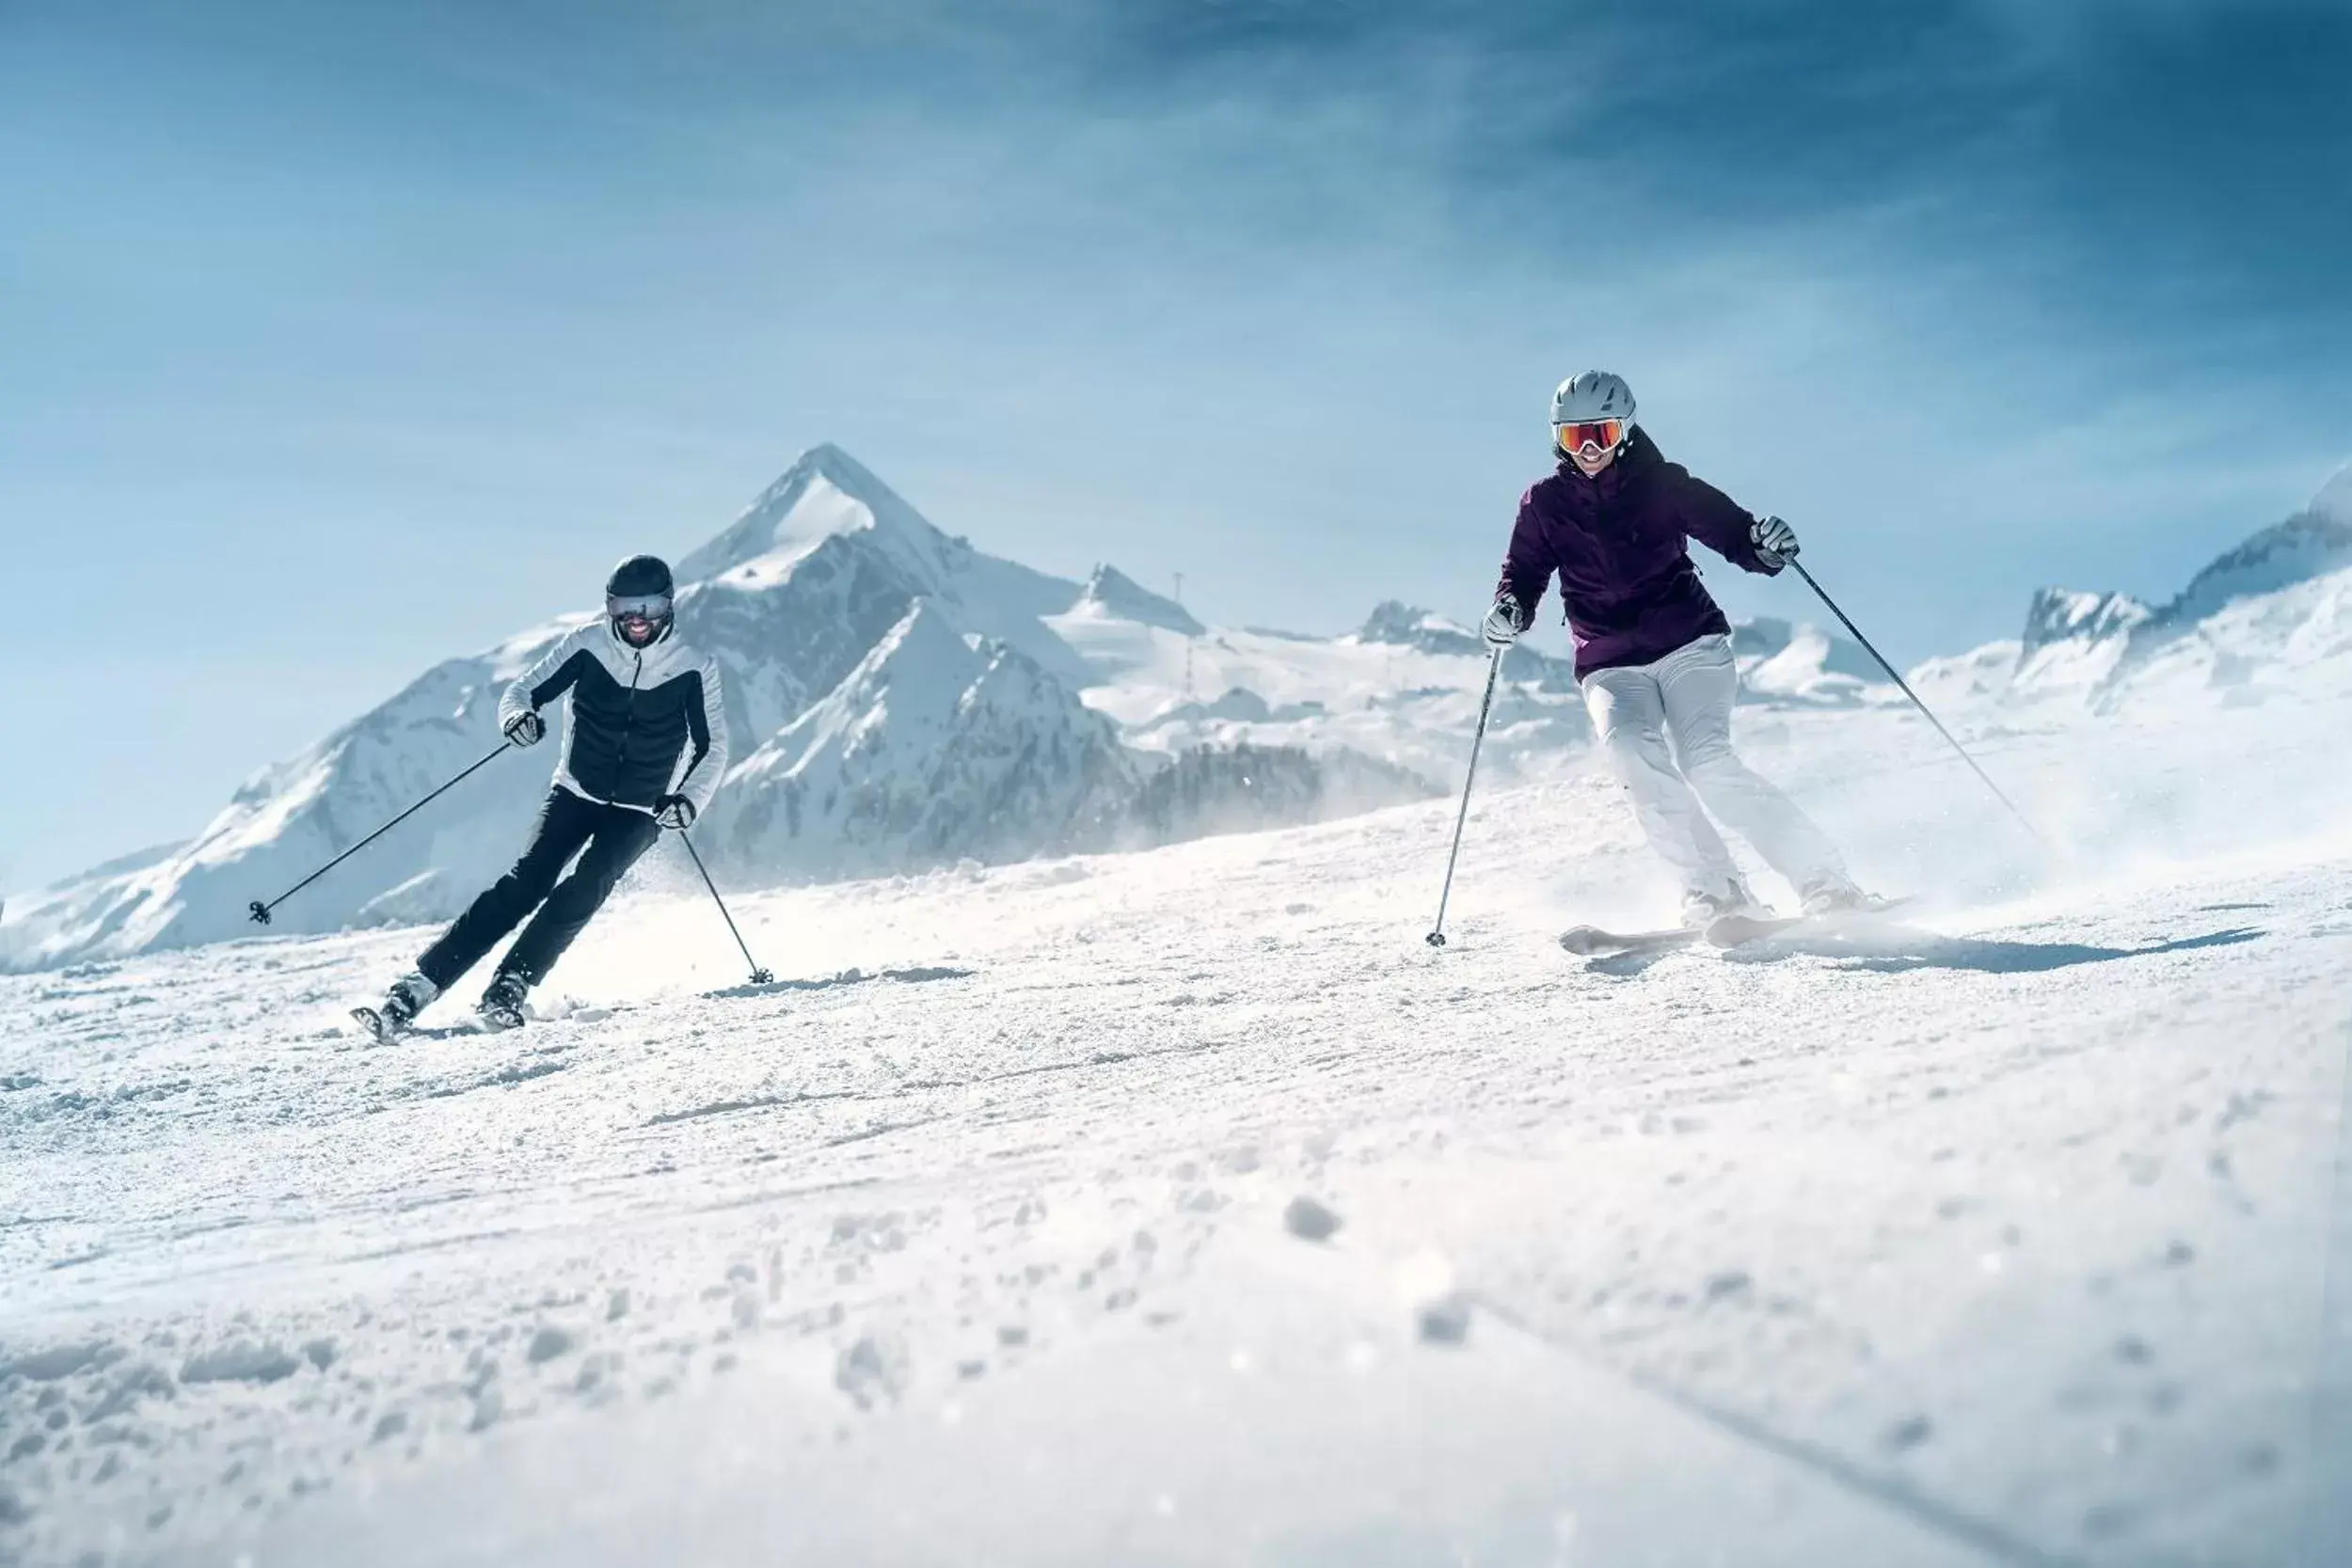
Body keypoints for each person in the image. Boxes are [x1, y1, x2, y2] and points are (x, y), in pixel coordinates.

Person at [1483, 371, 1871, 928]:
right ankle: (1715, 890)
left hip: (1691, 644)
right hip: (1610, 662)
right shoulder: (1544, 504)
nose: (1590, 449)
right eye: (1575, 438)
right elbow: (1521, 575)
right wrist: (1510, 610)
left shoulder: (1662, 484)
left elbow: (1735, 533)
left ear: (1626, 431)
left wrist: (1765, 546)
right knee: (1632, 755)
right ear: (1557, 440)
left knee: (1708, 763)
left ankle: (1825, 881)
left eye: (1602, 433)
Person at [372, 555, 729, 1031]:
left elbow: (714, 745)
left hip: (641, 808)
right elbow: (521, 692)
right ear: (610, 607)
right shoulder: (587, 646)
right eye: (624, 607)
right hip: (576, 790)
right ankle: (420, 984)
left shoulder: (693, 668)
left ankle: (511, 984)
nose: (637, 619)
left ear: (669, 606)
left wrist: (687, 800)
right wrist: (517, 719)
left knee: (589, 883)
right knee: (529, 881)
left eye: (648, 606)